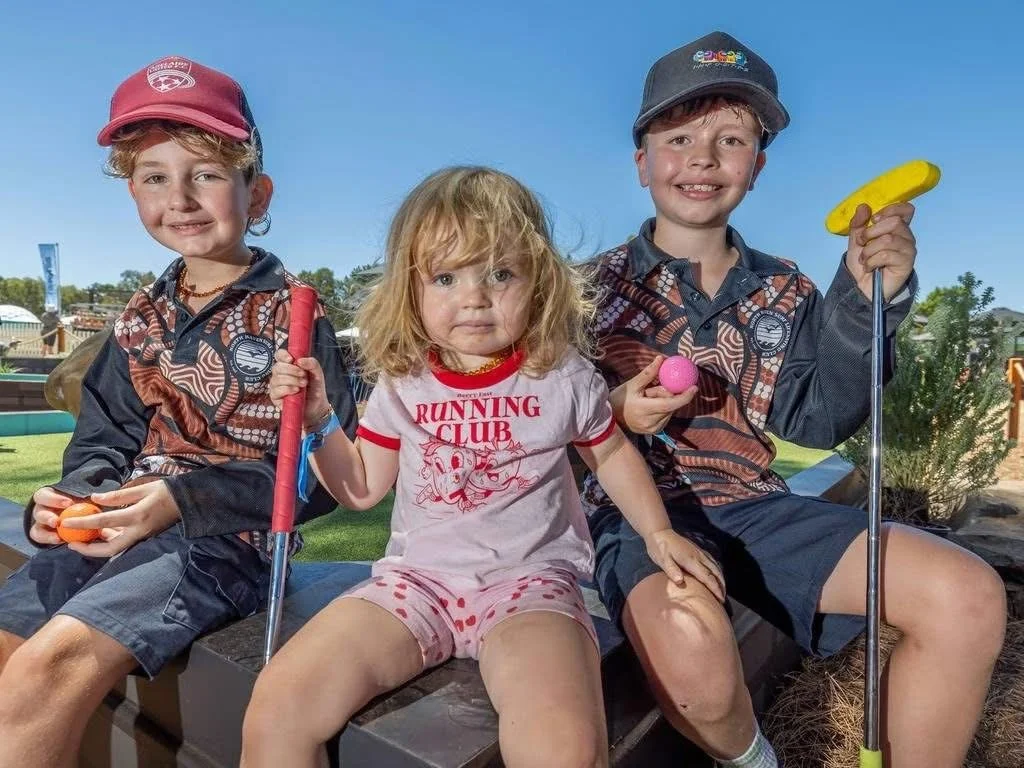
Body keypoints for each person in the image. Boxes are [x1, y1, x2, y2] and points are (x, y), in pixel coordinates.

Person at [583, 31, 1006, 768]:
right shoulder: (581, 290)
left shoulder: (786, 288)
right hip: (631, 514)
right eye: (678, 137)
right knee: (696, 666)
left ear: (759, 164)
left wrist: (870, 294)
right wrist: (613, 411)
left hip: (756, 507)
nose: (705, 158)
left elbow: (818, 416)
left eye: (732, 138)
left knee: (966, 595)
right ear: (642, 160)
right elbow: (534, 430)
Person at [241, 166, 724, 768]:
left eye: (499, 273)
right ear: (410, 291)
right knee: (278, 701)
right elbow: (361, 487)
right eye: (445, 277)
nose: (473, 296)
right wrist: (319, 421)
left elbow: (610, 451)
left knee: (564, 747)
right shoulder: (403, 383)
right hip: (415, 585)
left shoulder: (564, 376)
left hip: (531, 589)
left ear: (540, 282)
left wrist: (658, 534)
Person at [0, 55, 355, 766]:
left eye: (207, 173)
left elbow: (318, 480)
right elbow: (103, 440)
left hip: (221, 544)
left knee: (44, 674)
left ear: (257, 193)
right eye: (155, 176)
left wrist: (178, 500)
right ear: (131, 190)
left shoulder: (296, 315)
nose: (182, 197)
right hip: (117, 526)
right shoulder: (138, 317)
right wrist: (72, 496)